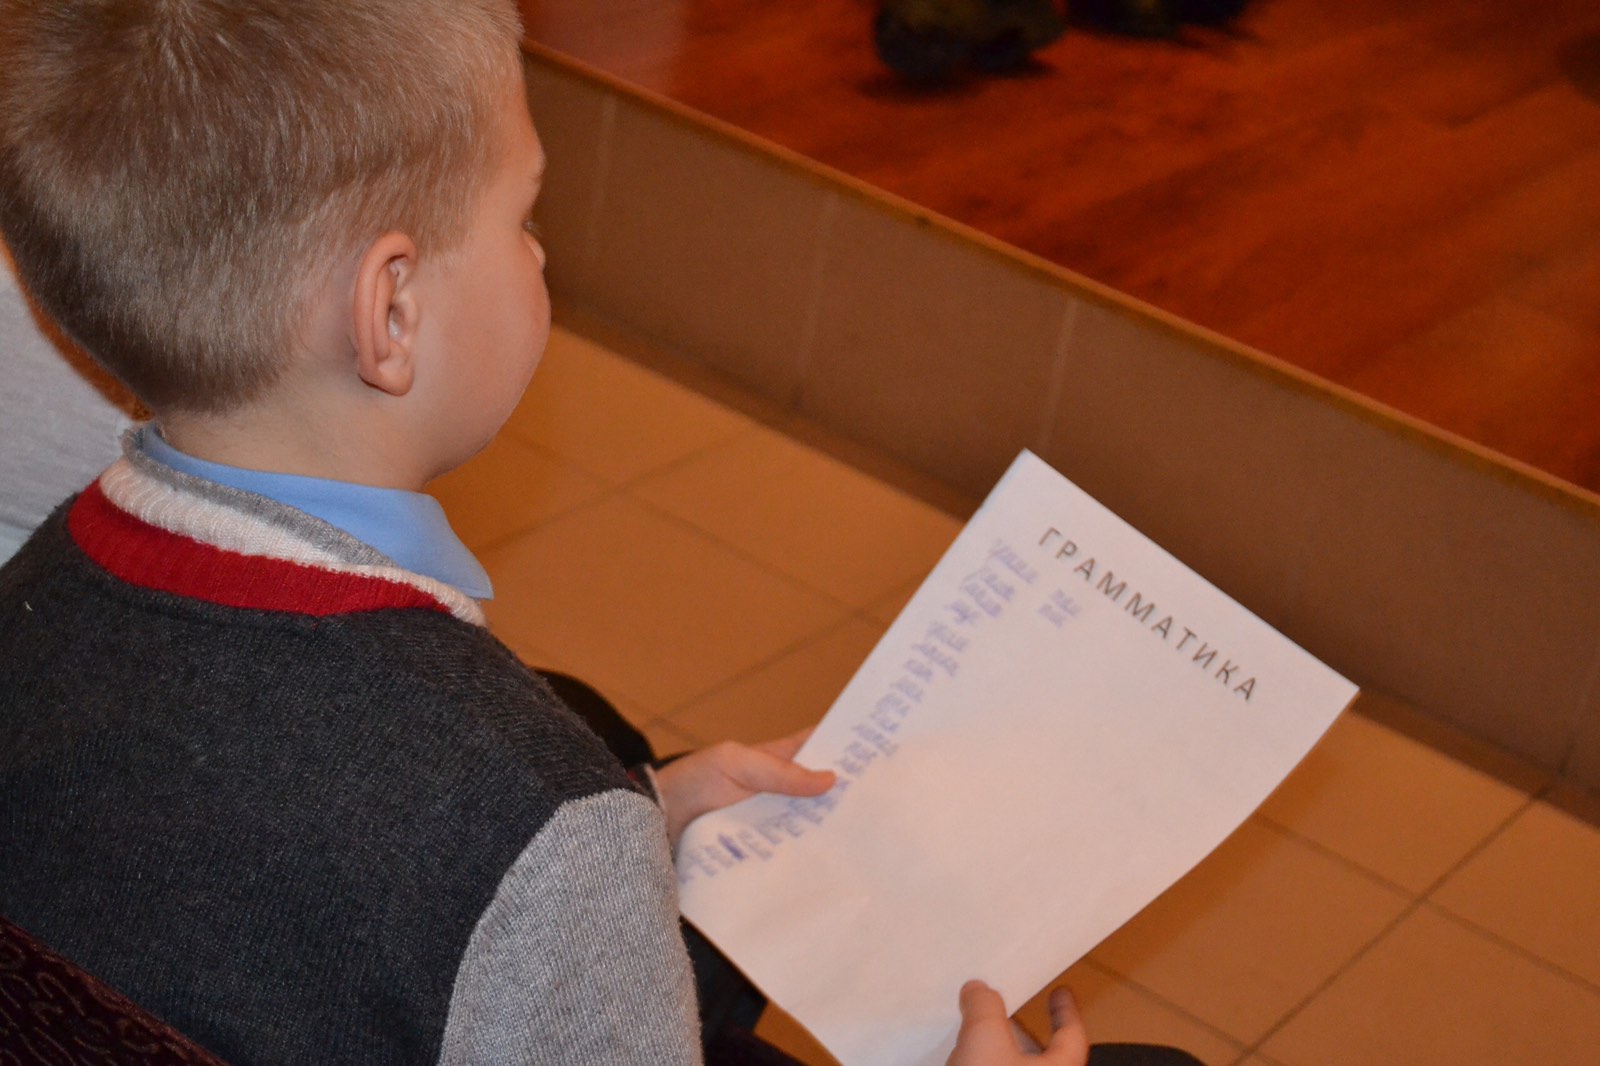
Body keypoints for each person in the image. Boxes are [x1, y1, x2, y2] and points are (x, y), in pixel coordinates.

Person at [0, 2, 1199, 1064]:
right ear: (391, 311)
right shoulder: (520, 803)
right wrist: (573, 857)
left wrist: (631, 821)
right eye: (524, 215)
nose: (539, 251)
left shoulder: (41, 583)